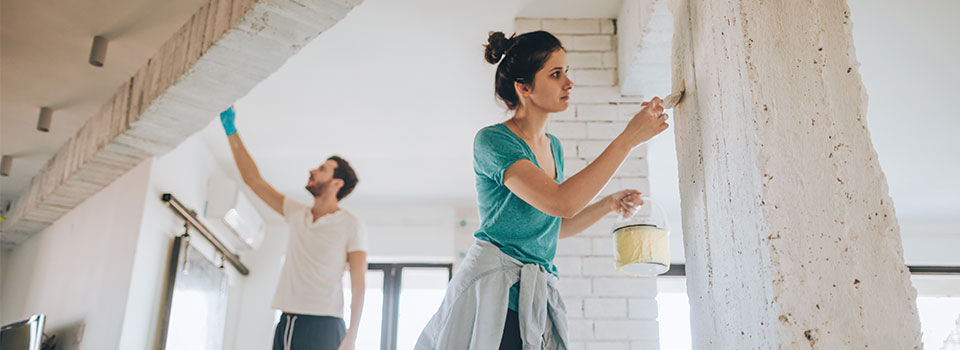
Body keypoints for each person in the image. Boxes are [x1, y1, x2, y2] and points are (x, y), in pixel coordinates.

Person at [415, 31, 669, 349]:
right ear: (523, 87)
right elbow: (562, 203)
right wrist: (629, 138)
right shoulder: (493, 141)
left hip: (533, 290)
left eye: (567, 72)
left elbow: (553, 225)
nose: (569, 83)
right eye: (555, 74)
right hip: (495, 290)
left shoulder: (553, 147)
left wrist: (607, 204)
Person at [218, 107, 367, 350]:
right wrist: (231, 131)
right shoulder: (297, 212)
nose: (312, 170)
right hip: (289, 321)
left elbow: (359, 283)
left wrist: (352, 336)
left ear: (337, 183)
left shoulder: (351, 224)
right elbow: (254, 181)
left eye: (322, 169)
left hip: (325, 324)